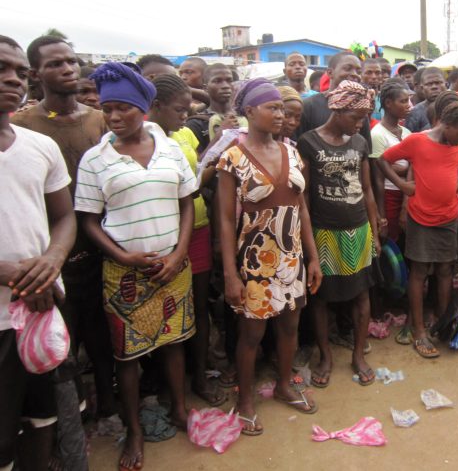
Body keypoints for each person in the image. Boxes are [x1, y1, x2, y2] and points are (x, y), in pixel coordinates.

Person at [75, 62, 196, 471]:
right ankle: (135, 432)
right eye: (108, 109)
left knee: (174, 343)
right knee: (127, 356)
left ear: (142, 108)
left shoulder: (171, 149)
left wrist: (180, 253)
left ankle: (179, 409)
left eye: (123, 108)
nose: (113, 116)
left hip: (172, 267)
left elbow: (185, 202)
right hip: (125, 273)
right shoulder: (96, 159)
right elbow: (88, 219)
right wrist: (122, 255)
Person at [12, 35, 116, 419]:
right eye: (55, 63)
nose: (67, 68)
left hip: (102, 245)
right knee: (59, 343)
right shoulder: (24, 125)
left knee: (103, 337)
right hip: (52, 255)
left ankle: (108, 406)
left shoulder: (99, 120)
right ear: (36, 74)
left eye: (71, 61)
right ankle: (64, 423)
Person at [217, 78, 322, 433]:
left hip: (291, 259)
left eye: (282, 108)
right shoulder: (232, 159)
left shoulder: (291, 153)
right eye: (272, 108)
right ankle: (244, 399)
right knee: (251, 335)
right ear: (249, 112)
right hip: (254, 264)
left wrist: (313, 257)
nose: (280, 114)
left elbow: (301, 208)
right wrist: (231, 274)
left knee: (290, 326)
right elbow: (225, 220)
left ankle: (282, 385)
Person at [0, 34, 77, 471]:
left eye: (16, 71)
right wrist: (15, 275)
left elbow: (63, 217)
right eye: (0, 69)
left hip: (42, 310)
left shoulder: (38, 146)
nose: (12, 80)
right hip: (8, 309)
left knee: (43, 418)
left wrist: (50, 263)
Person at [147, 74, 224, 407]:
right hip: (163, 233)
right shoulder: (140, 141)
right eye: (178, 109)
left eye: (186, 108)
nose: (184, 115)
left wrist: (217, 155)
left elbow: (195, 180)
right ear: (155, 106)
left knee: (198, 304)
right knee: (166, 311)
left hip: (198, 226)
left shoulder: (186, 134)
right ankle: (167, 385)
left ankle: (200, 374)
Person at [380, 94, 458, 358]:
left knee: (445, 269)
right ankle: (419, 329)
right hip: (421, 217)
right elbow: (383, 160)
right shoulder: (417, 141)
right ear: (447, 124)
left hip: (449, 217)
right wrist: (401, 185)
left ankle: (442, 322)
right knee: (420, 271)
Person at [297, 80, 379, 387]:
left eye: (363, 119)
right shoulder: (308, 142)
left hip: (357, 231)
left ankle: (358, 354)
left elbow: (368, 189)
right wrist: (309, 245)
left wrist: (374, 230)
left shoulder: (359, 144)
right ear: (338, 109)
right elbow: (303, 197)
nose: (360, 125)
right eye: (356, 118)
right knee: (321, 298)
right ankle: (326, 355)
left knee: (361, 294)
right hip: (323, 232)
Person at [370, 78, 412, 243]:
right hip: (389, 196)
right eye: (403, 101)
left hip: (407, 194)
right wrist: (382, 217)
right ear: (388, 103)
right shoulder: (378, 134)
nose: (409, 105)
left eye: (408, 100)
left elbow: (413, 166)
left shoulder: (407, 132)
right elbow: (378, 178)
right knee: (391, 240)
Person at [205, 63, 246, 138]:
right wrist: (221, 133)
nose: (225, 86)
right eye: (217, 81)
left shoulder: (246, 115)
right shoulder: (197, 123)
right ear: (205, 88)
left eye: (229, 80)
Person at [404, 66, 446, 133]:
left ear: (445, 84)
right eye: (429, 84)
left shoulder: (454, 108)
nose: (434, 87)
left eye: (438, 83)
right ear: (422, 88)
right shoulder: (415, 114)